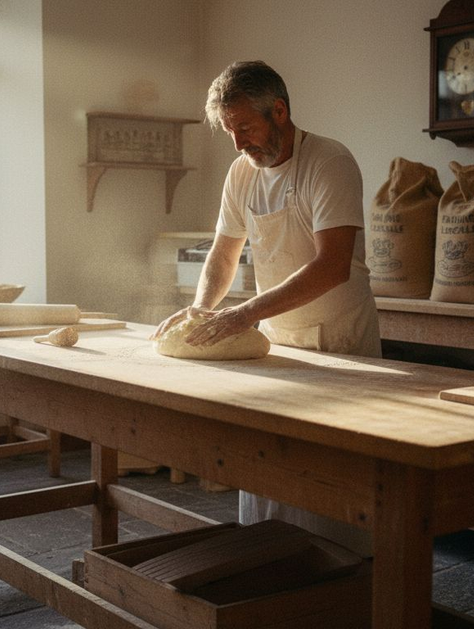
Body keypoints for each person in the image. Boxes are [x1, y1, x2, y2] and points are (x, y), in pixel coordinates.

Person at [151, 60, 380, 555]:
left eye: (245, 128)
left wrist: (243, 314)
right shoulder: (242, 172)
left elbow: (333, 265)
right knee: (270, 467)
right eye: (230, 132)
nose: (239, 144)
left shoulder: (329, 162)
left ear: (279, 112)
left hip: (338, 341)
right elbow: (224, 250)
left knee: (332, 482)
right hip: (279, 341)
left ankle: (344, 586)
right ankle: (272, 572)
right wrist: (200, 310)